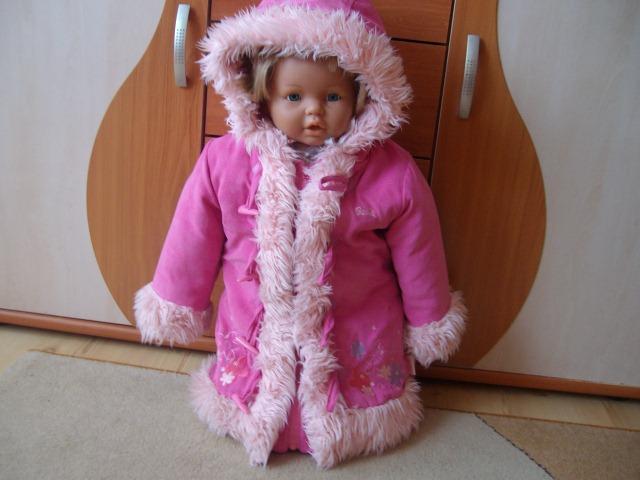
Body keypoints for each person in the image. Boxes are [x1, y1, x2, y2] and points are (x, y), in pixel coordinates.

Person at [134, 0, 466, 469]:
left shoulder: (390, 172)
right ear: (261, 94)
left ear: (362, 94)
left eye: (332, 97)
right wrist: (177, 299)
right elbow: (192, 238)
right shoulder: (225, 162)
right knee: (253, 366)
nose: (314, 113)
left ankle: (344, 418)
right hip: (252, 334)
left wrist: (428, 318)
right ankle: (257, 406)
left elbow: (420, 253)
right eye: (293, 97)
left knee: (349, 375)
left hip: (355, 340)